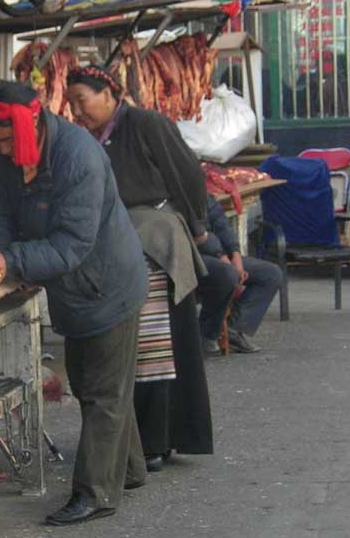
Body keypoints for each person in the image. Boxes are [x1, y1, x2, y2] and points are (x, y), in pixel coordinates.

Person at [0, 80, 149, 526]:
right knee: (97, 382)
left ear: (28, 122)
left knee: (101, 390)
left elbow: (72, 243)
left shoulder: (78, 156)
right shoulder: (10, 155)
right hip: (73, 288)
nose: (4, 152)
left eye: (7, 140)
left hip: (106, 282)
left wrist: (10, 258)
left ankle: (96, 493)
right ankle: (129, 468)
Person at [66, 65, 214, 473]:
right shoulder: (86, 138)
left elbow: (186, 174)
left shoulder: (146, 123)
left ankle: (159, 439)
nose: (78, 110)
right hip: (112, 247)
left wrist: (198, 226)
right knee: (125, 347)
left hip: (154, 244)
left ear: (109, 92)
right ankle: (137, 440)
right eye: (73, 103)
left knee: (156, 348)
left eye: (84, 100)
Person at [196, 194, 284, 355]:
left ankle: (233, 329)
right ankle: (206, 334)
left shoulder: (204, 194)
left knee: (271, 274)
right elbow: (198, 233)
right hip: (194, 256)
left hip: (220, 254)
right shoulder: (177, 194)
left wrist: (235, 255)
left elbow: (222, 226)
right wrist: (221, 257)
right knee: (226, 274)